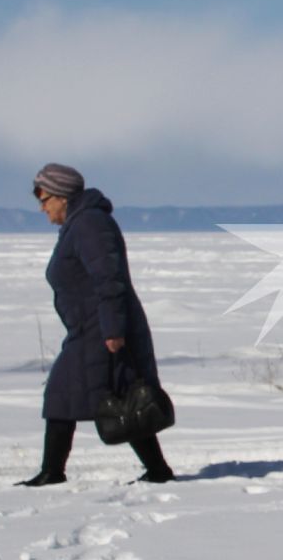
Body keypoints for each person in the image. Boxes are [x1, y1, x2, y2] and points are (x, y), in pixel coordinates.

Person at [19, 163, 174, 486]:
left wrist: (114, 329)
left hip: (101, 330)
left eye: (44, 198)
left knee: (105, 395)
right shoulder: (79, 224)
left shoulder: (90, 224)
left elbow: (109, 278)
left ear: (62, 196)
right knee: (102, 394)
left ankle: (53, 472)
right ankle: (156, 470)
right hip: (88, 329)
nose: (41, 207)